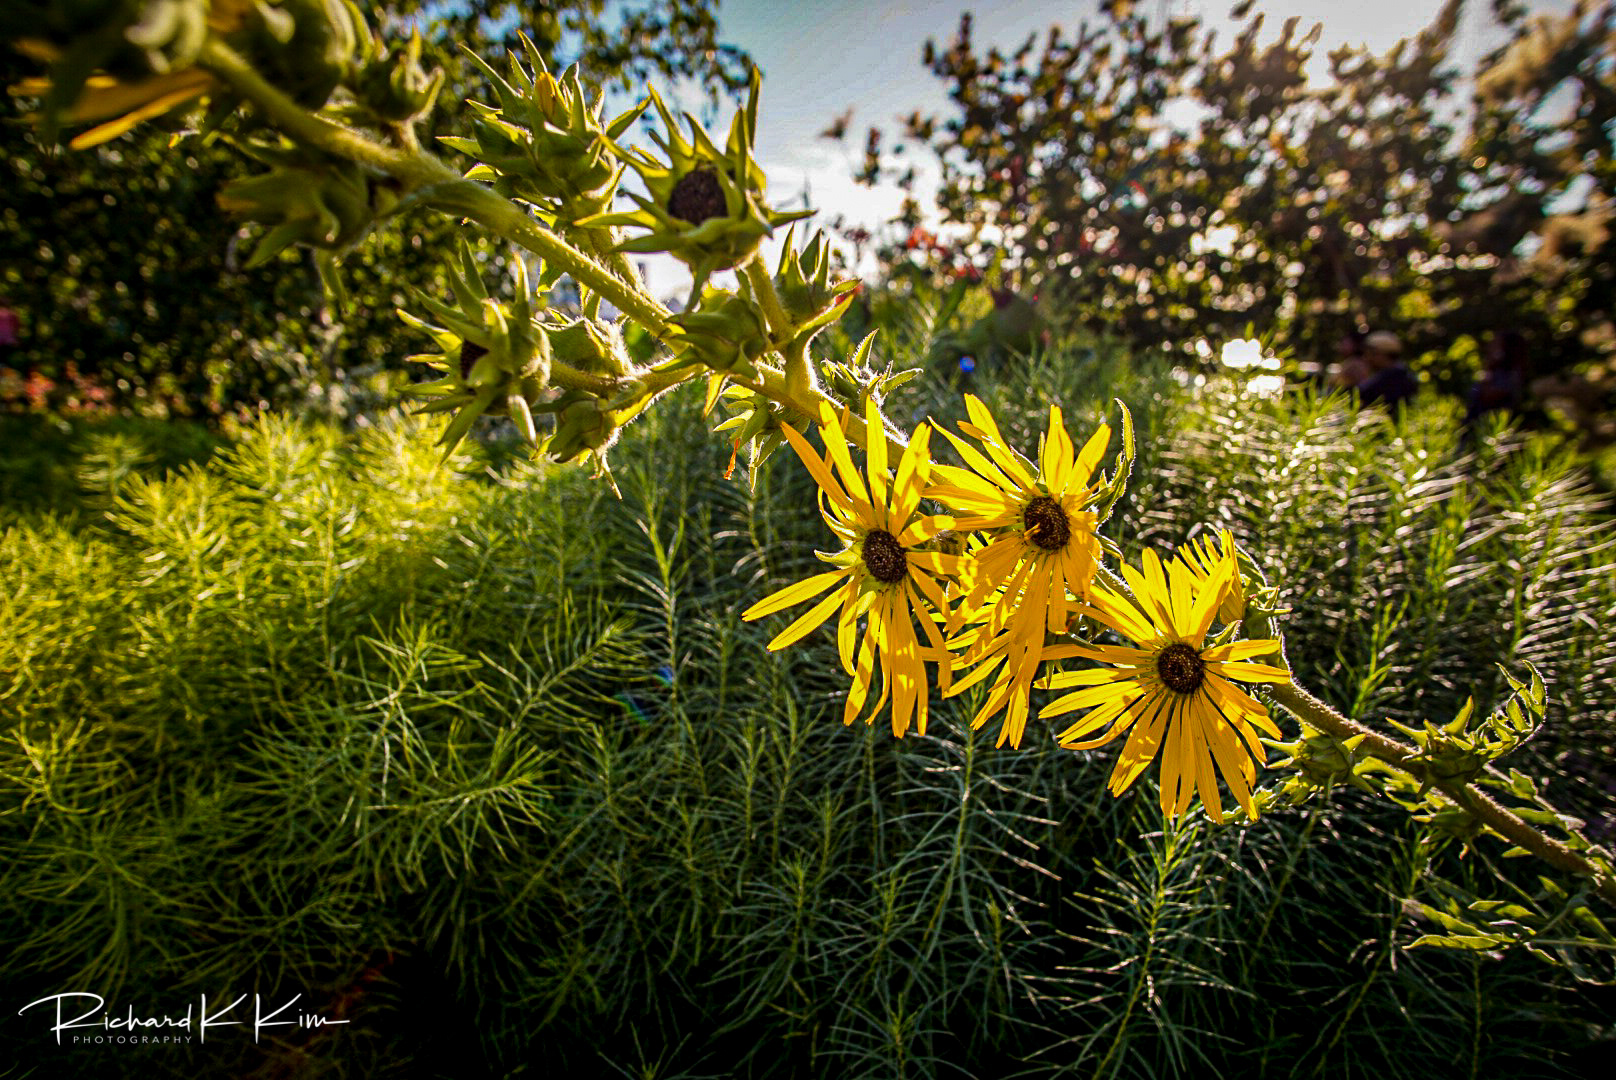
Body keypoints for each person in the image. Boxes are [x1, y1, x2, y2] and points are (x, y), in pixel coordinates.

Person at [1465, 329, 1529, 428]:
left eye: (1495, 344)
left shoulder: (1510, 375)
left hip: (1491, 430)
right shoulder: (1495, 371)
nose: (1489, 347)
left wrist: (1488, 369)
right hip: (1474, 425)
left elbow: (1488, 396)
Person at [1356, 330, 1417, 409]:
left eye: (1370, 353)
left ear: (1380, 355)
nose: (1366, 358)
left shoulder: (1392, 378)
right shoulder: (1403, 373)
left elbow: (1360, 396)